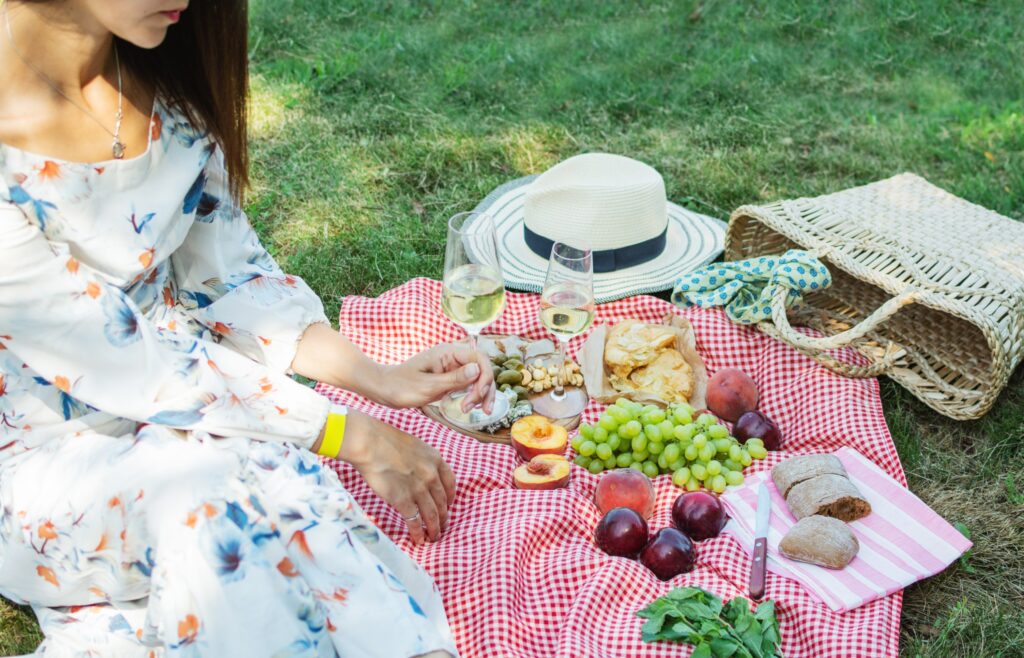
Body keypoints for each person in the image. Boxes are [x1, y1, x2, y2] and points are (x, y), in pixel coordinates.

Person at [0, 1, 495, 655]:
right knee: (212, 492)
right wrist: (351, 435)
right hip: (50, 464)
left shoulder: (160, 78)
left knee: (250, 476)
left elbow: (231, 279)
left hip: (202, 419)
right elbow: (129, 358)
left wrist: (382, 381)